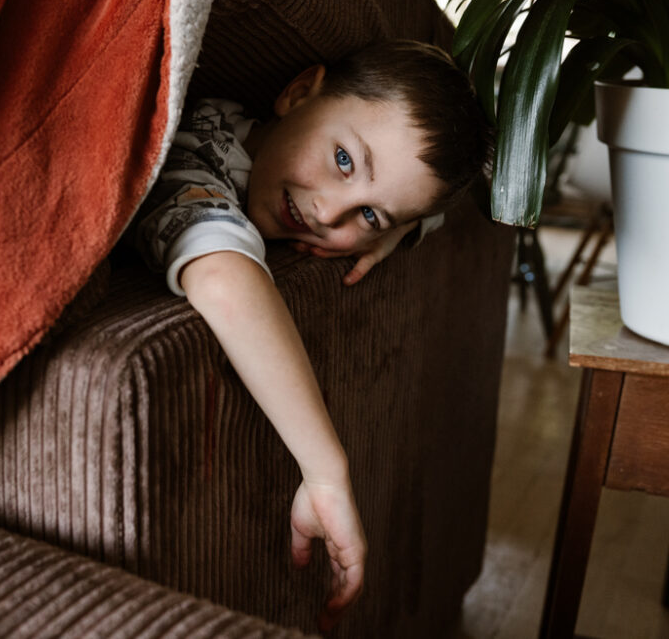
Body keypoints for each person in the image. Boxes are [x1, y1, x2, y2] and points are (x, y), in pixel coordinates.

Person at [126, 39, 491, 632]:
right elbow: (221, 276)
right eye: (344, 161)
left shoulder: (276, 144)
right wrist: (325, 469)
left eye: (368, 214)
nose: (329, 212)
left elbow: (427, 197)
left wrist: (399, 227)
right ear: (299, 92)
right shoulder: (195, 153)